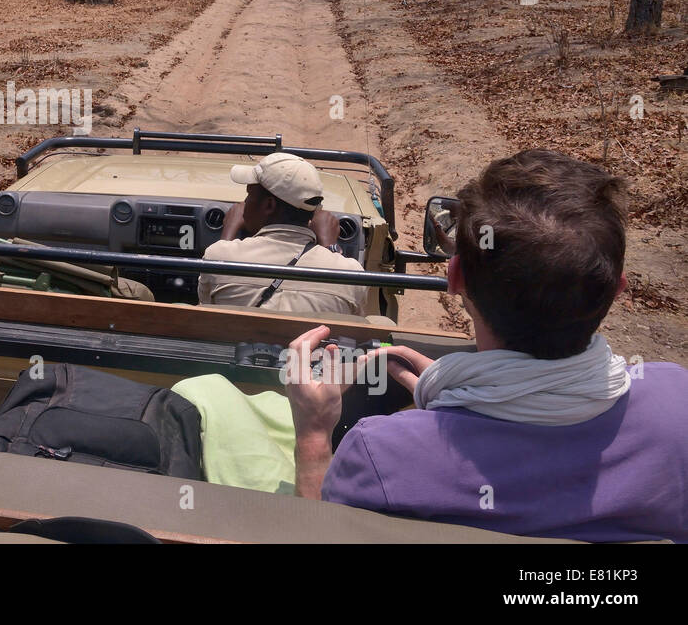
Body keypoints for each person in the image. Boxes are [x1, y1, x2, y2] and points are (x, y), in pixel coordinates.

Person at [285, 149, 687, 543]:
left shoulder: (382, 455)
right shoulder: (676, 407)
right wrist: (463, 394)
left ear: (455, 277)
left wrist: (315, 436)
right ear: (616, 291)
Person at [196, 152, 369, 319]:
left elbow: (208, 311)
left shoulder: (219, 256)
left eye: (249, 194)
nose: (245, 202)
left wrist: (227, 237)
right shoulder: (350, 274)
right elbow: (353, 321)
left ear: (269, 205)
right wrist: (330, 249)